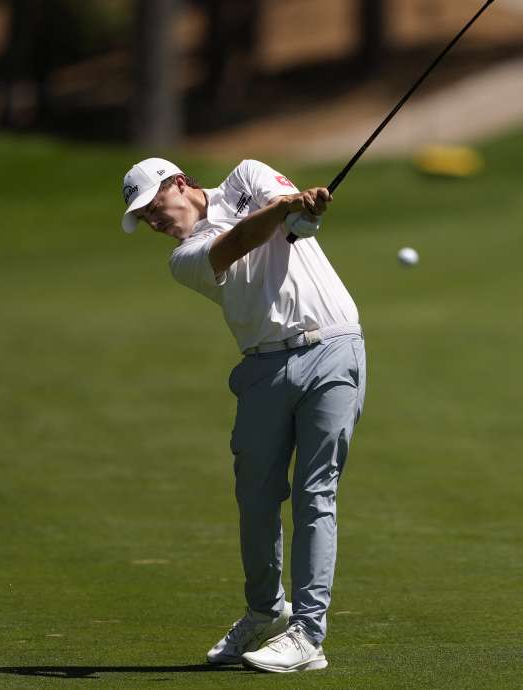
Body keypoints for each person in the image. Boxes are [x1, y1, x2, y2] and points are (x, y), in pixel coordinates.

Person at [120, 157, 366, 673]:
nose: (154, 221)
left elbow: (299, 225)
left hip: (335, 347)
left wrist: (305, 208)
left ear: (180, 183)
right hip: (264, 368)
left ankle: (307, 633)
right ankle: (264, 608)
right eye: (144, 219)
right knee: (256, 498)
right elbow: (235, 245)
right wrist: (284, 208)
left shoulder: (248, 176)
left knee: (315, 493)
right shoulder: (184, 257)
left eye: (153, 206)